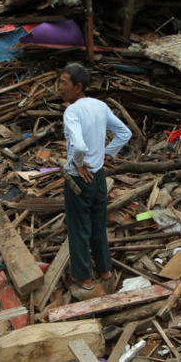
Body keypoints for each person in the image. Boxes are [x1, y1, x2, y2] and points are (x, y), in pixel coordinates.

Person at [59, 63, 132, 291]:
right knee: (98, 224)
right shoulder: (100, 106)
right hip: (98, 177)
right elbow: (125, 133)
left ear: (78, 86)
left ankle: (85, 278)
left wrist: (79, 164)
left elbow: (78, 146)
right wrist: (107, 154)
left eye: (64, 83)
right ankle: (104, 269)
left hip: (80, 180)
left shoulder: (72, 111)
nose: (59, 87)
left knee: (79, 227)